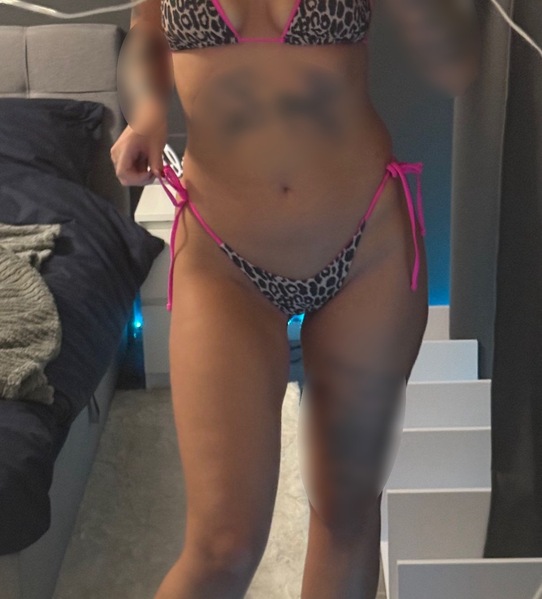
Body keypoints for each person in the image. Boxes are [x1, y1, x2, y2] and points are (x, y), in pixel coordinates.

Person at [110, 0, 481, 597]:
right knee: (221, 546)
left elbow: (456, 62)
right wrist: (146, 110)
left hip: (365, 245)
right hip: (221, 256)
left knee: (346, 513)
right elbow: (147, 27)